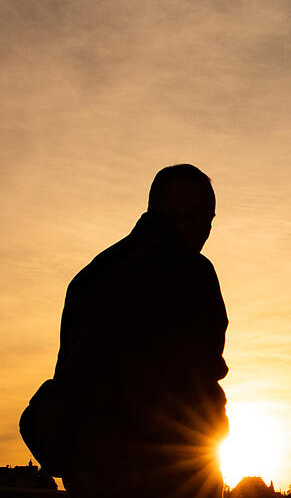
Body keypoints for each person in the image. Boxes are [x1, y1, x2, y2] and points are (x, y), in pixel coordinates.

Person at [53, 164, 229, 498]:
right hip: (167, 473)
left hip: (92, 472)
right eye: (208, 217)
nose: (207, 230)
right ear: (191, 215)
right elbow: (202, 376)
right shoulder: (191, 271)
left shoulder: (90, 275)